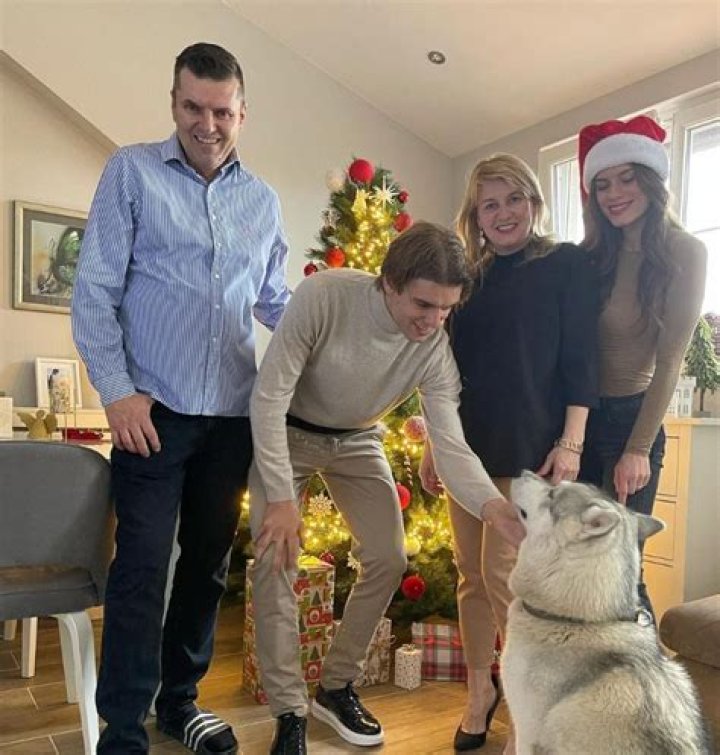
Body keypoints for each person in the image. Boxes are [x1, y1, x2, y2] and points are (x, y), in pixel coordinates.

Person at [72, 42, 290, 755]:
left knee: (206, 567)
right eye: (193, 107)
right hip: (151, 415)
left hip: (231, 418)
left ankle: (180, 703)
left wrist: (342, 329)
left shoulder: (263, 202)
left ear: (242, 113)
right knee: (141, 569)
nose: (207, 123)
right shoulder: (131, 172)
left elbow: (276, 303)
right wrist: (118, 392)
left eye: (222, 111)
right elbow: (94, 292)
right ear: (174, 103)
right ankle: (122, 732)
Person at [247, 221, 524, 754]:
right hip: (289, 432)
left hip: (357, 440)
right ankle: (288, 710)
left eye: (446, 309)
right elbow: (269, 397)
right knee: (276, 557)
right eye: (423, 304)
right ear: (389, 283)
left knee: (389, 557)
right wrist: (280, 497)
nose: (434, 321)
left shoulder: (434, 347)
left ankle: (334, 686)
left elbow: (450, 443)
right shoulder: (325, 296)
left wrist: (493, 507)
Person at [419, 154, 598, 754]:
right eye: (489, 204)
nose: (503, 214)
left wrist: (572, 440)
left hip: (530, 453)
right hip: (466, 452)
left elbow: (581, 359)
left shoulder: (566, 264)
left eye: (513, 199)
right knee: (470, 577)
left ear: (534, 202)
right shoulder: (467, 278)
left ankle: (528, 706)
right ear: (475, 215)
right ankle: (479, 693)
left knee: (508, 582)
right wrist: (435, 445)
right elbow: (444, 371)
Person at [577, 115, 707, 614]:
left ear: (652, 181)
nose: (613, 194)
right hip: (579, 421)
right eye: (602, 184)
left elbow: (671, 359)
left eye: (627, 178)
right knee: (582, 570)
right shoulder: (592, 256)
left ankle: (645, 666)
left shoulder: (685, 251)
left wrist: (636, 449)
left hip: (631, 423)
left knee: (620, 572)